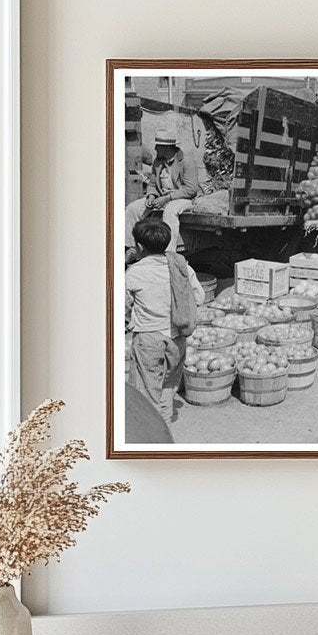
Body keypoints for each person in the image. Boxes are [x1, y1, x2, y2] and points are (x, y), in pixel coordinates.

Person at [124, 216, 205, 423]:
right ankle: (165, 422)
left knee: (147, 389)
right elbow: (199, 297)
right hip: (177, 337)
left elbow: (123, 306)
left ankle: (151, 433)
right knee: (169, 384)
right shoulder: (182, 267)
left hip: (149, 338)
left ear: (139, 246)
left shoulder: (134, 273)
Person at [124, 128, 202, 258]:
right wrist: (151, 196)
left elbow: (191, 189)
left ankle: (169, 253)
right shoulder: (158, 161)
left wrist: (167, 198)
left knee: (170, 211)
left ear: (167, 147)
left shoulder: (186, 161)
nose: (155, 148)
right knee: (133, 208)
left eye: (158, 146)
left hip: (184, 199)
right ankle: (132, 248)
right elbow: (153, 184)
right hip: (162, 197)